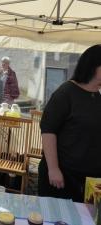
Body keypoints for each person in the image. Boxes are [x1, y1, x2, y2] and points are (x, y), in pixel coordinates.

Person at [38, 44, 101, 202]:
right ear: (94, 67)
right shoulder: (66, 93)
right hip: (63, 177)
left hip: (91, 180)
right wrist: (53, 168)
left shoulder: (98, 95)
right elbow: (48, 130)